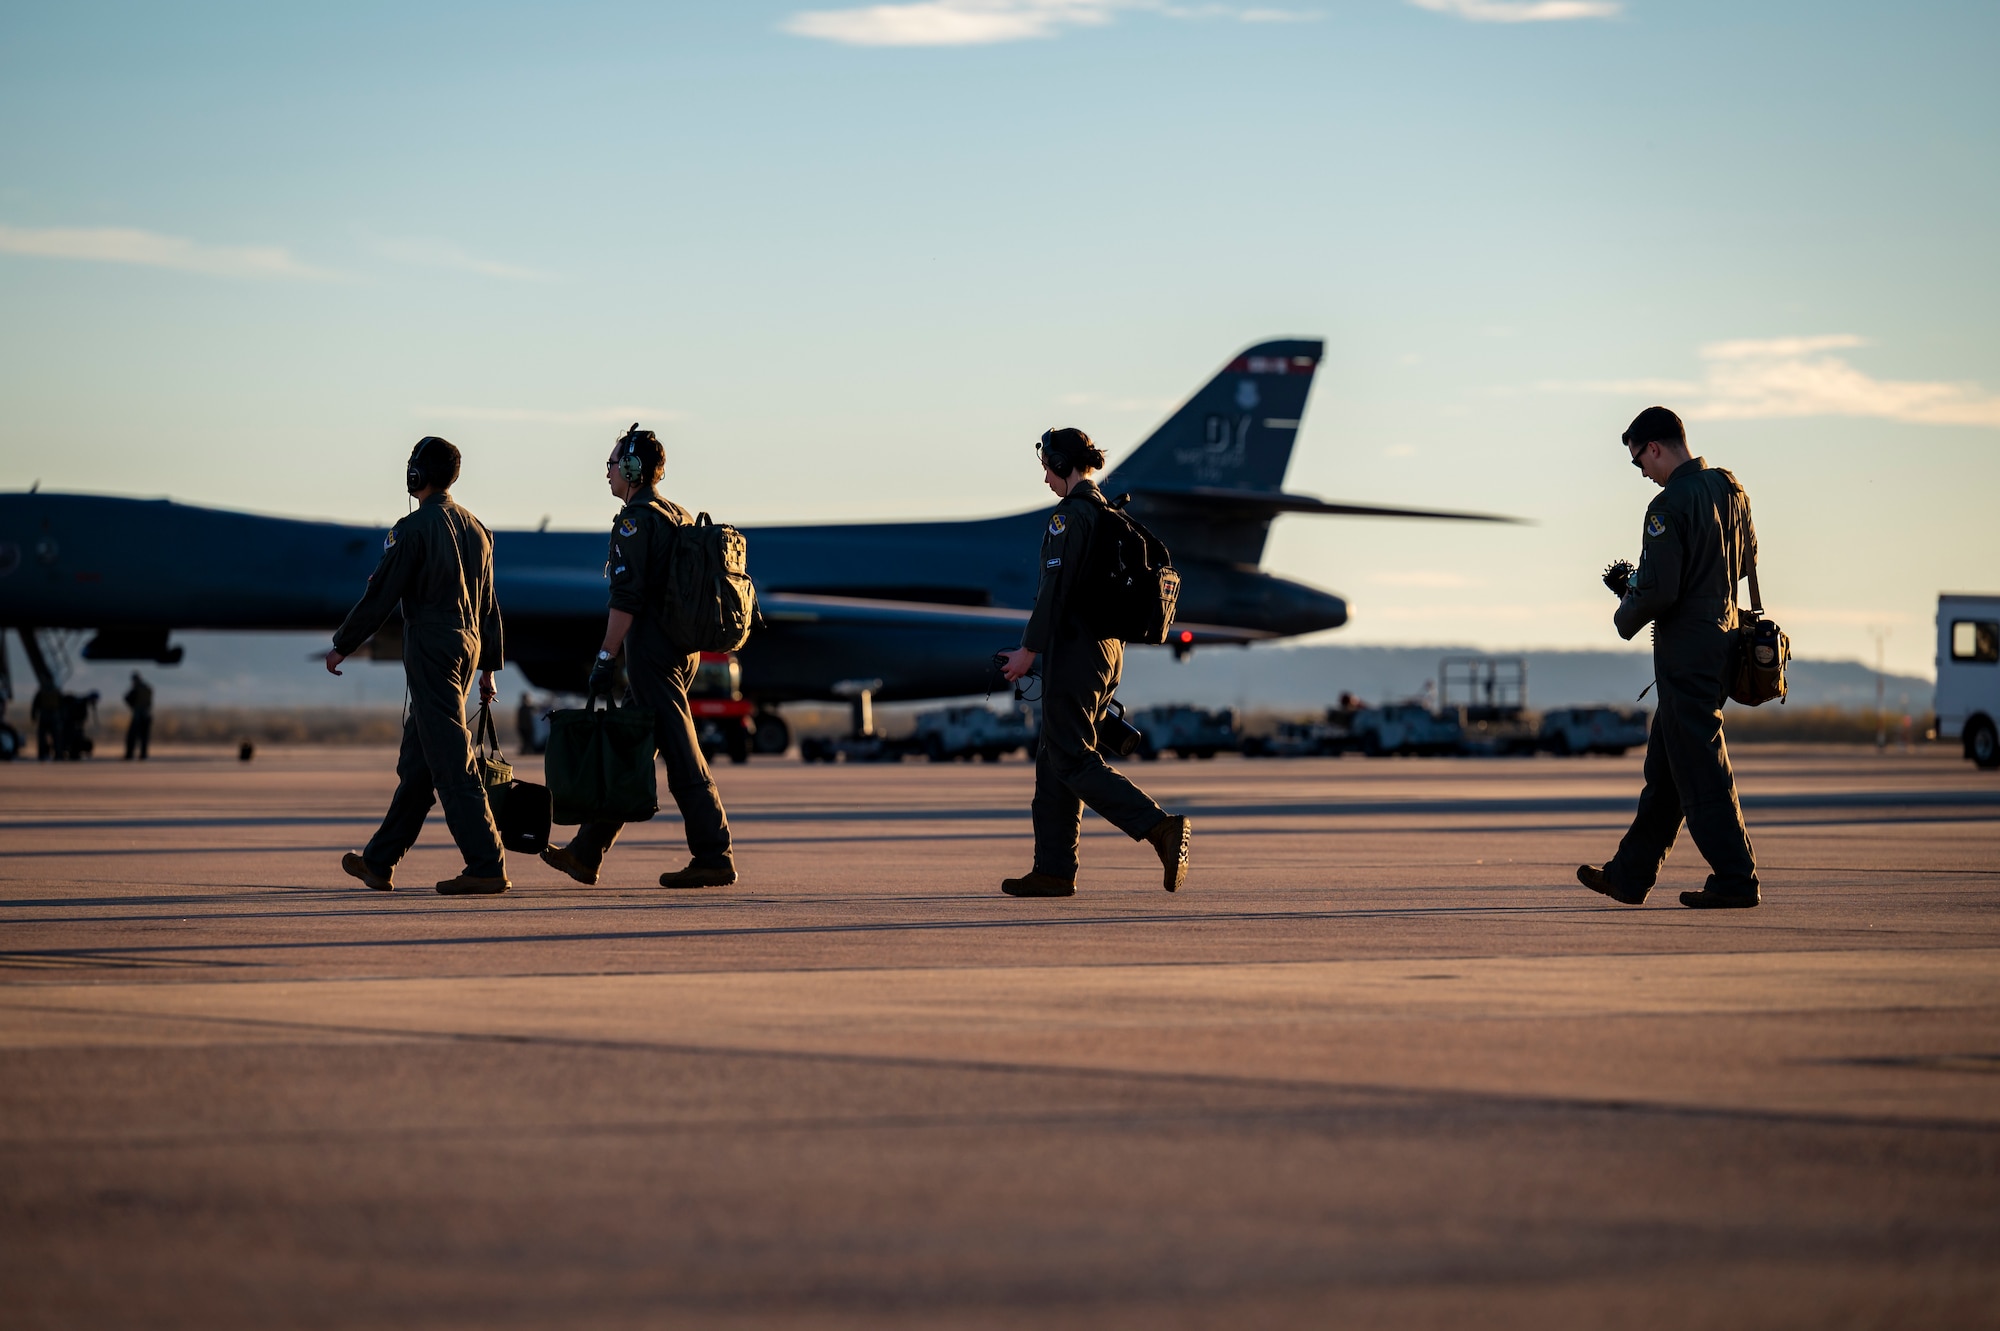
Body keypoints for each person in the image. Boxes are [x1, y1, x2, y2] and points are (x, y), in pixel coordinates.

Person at [1578, 406, 1761, 909]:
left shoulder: (1666, 507)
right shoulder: (1731, 489)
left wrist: (1626, 605)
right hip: (1725, 642)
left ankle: (1735, 877)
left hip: (1687, 655)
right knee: (1667, 769)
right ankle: (1630, 875)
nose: (1642, 472)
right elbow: (1746, 562)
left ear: (1655, 447)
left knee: (1700, 767)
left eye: (1639, 461)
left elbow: (1659, 592)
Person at [539, 425, 736, 890]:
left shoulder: (637, 519)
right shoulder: (677, 513)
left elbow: (626, 598)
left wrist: (606, 658)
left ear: (631, 468)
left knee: (684, 757)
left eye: (611, 463)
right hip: (681, 651)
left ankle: (714, 855)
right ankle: (586, 853)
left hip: (652, 653)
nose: (606, 472)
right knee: (630, 751)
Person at [998, 428, 1191, 897]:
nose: (1045, 478)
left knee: (1072, 757)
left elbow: (1054, 591)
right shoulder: (1108, 513)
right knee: (1054, 761)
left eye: (1047, 467)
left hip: (1075, 650)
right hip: (1106, 651)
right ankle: (1054, 870)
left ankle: (1160, 828)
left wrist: (1029, 650)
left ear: (1063, 465)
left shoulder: (1071, 517)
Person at [325, 436, 509, 895]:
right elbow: (490, 605)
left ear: (417, 476)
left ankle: (486, 863)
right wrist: (489, 668)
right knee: (420, 764)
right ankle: (379, 861)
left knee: (451, 762)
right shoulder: (478, 529)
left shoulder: (412, 530)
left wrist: (342, 644)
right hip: (466, 649)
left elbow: (380, 595)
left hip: (432, 649)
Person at [123, 671, 154, 761]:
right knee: (144, 737)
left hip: (138, 716)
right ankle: (143, 754)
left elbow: (127, 698)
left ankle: (130, 754)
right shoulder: (147, 688)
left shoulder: (136, 688)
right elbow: (149, 702)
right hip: (146, 714)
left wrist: (133, 706)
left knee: (132, 736)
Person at [32, 679, 62, 761]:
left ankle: (42, 754)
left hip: (44, 716)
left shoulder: (42, 692)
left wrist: (33, 715)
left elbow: (35, 705)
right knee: (56, 737)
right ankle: (58, 755)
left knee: (42, 736)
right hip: (54, 716)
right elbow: (61, 704)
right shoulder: (56, 692)